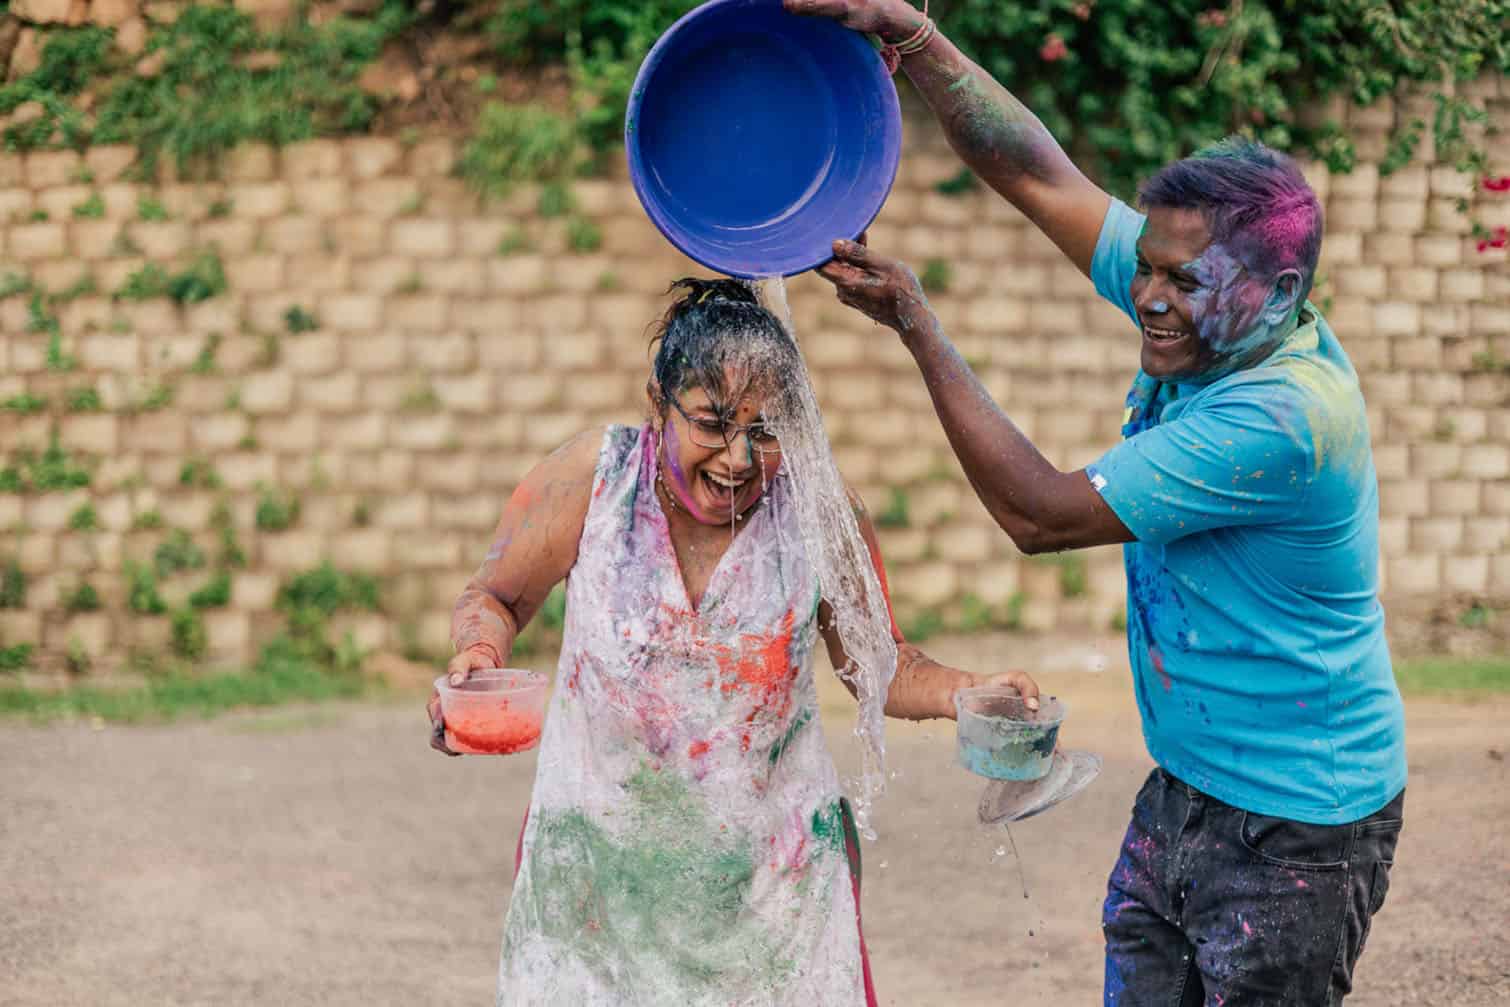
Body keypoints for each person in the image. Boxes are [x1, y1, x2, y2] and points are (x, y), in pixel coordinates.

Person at [786, 1, 1407, 1003]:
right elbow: (1039, 176)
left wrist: (915, 324)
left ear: (1280, 293)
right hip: (1189, 783)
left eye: (1179, 283)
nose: (1147, 298)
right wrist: (911, 39)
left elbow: (1038, 514)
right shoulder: (1210, 296)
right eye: (1145, 269)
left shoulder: (1282, 418)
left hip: (1300, 819)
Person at [426, 278, 1040, 1005]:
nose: (740, 459)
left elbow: (883, 662)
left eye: (767, 430)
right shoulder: (594, 482)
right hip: (599, 890)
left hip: (773, 900)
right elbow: (494, 596)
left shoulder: (817, 510)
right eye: (713, 424)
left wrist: (965, 691)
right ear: (658, 405)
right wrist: (477, 658)